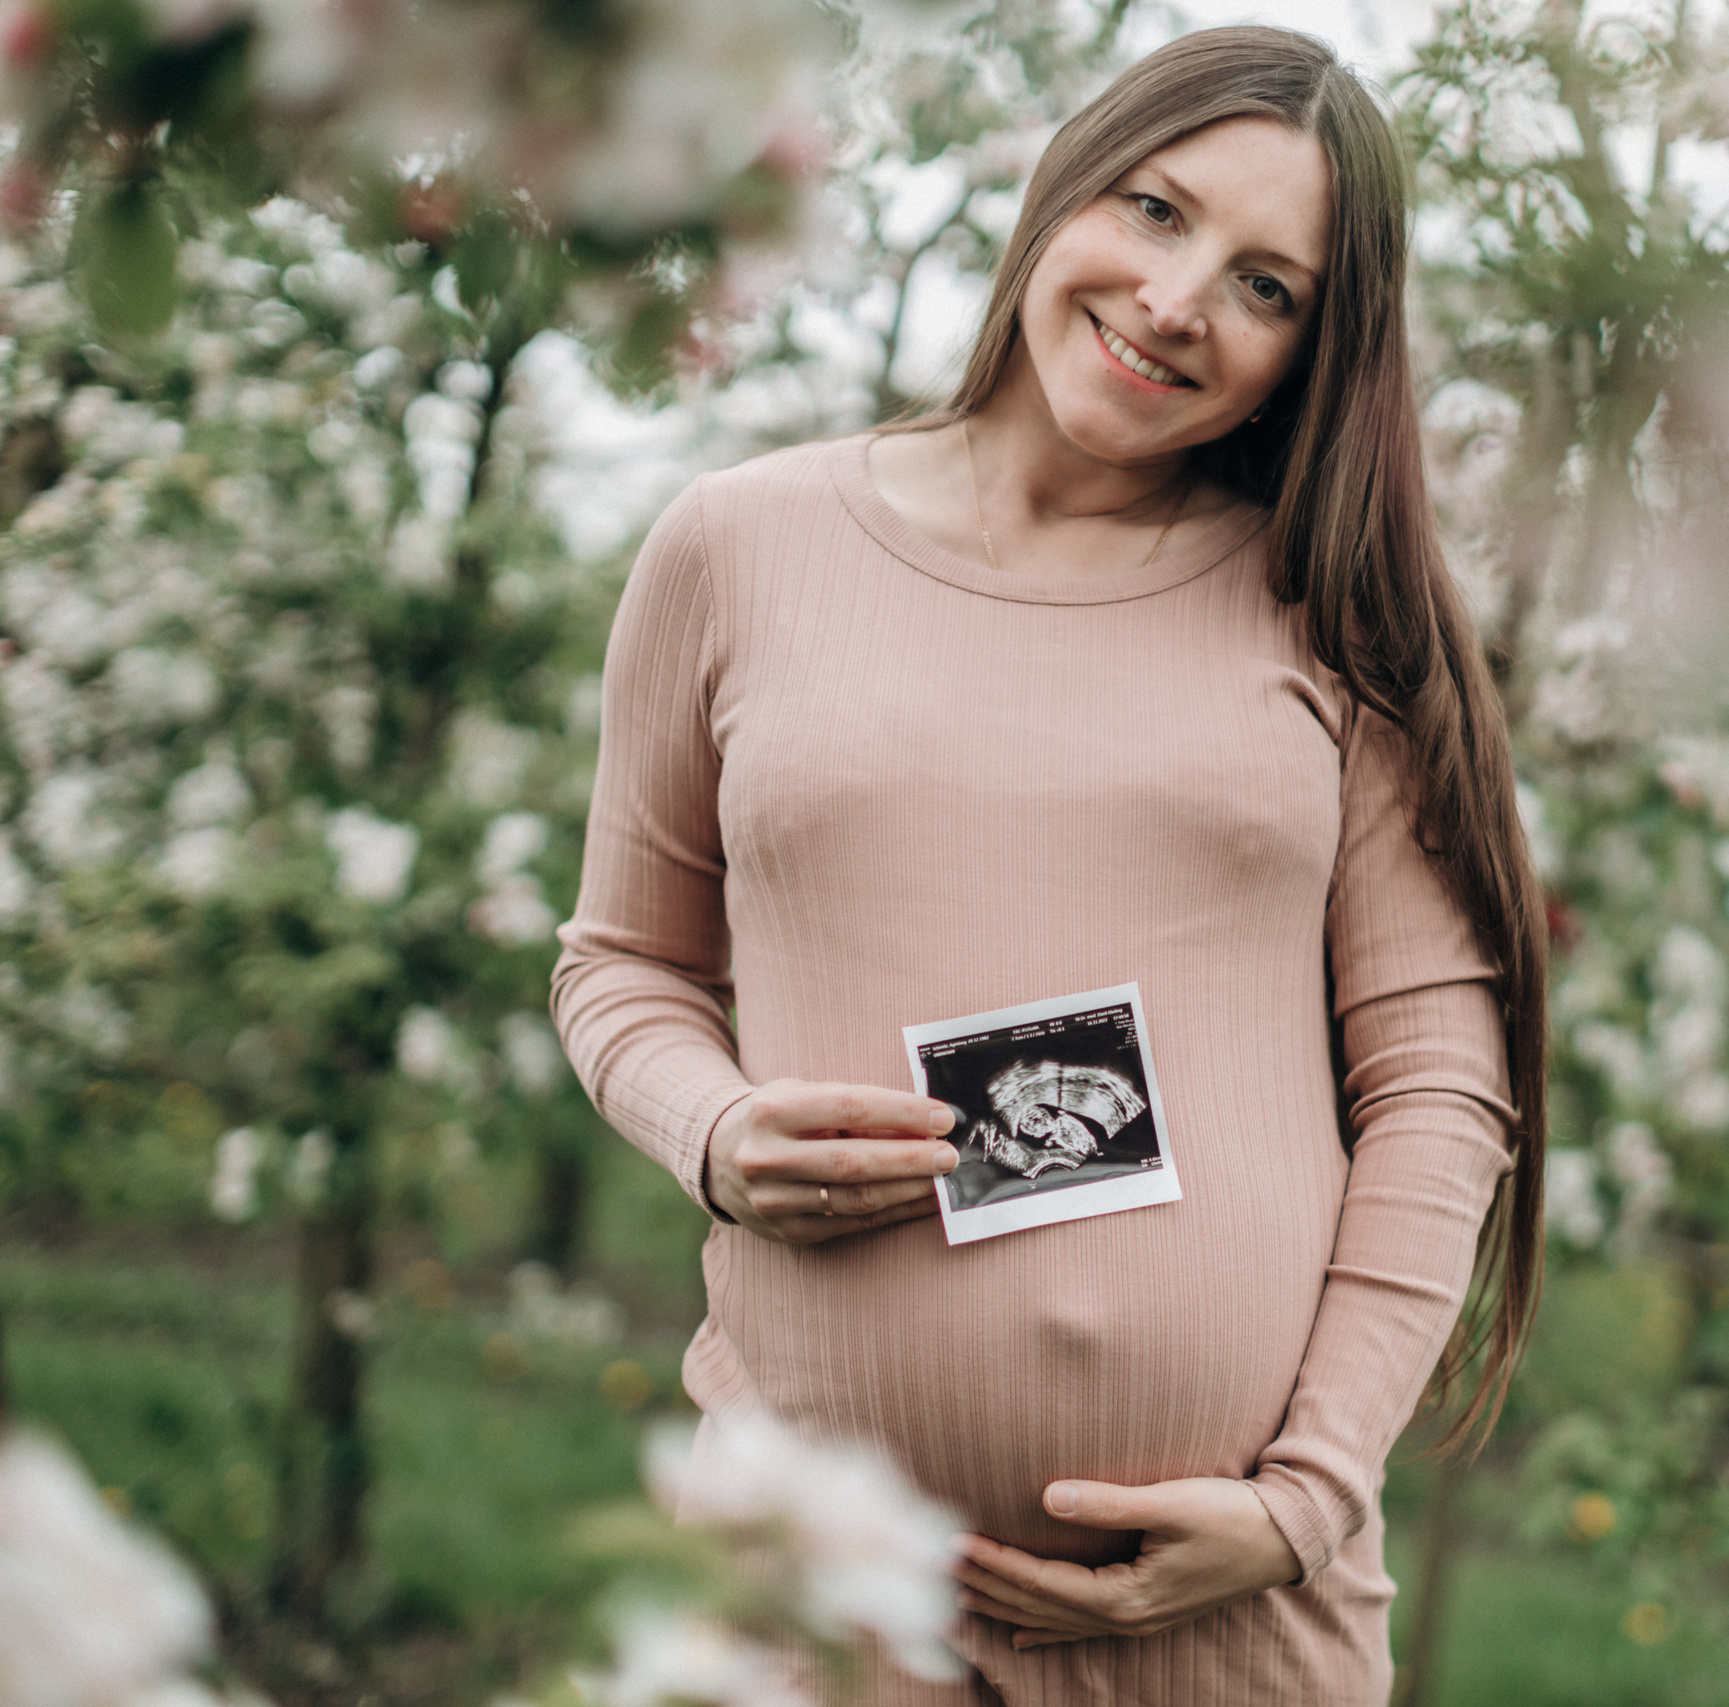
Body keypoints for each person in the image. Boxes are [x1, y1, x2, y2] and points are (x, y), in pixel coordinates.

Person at [551, 24, 1548, 1705]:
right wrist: (711, 1132)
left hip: (1229, 1633)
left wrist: (1301, 1505)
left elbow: (1441, 1087)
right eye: (1156, 211)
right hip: (809, 1593)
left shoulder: (1337, 612)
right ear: (1060, 189)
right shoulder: (738, 546)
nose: (1177, 301)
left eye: (1268, 289)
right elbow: (623, 965)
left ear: (1314, 354)